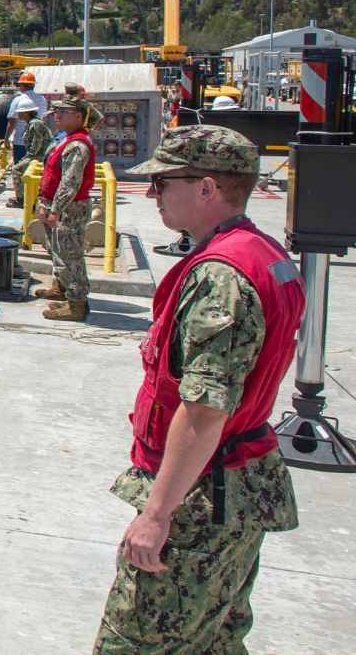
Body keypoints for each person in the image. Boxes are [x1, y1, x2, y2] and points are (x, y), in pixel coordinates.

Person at [94, 126, 305, 652]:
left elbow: (205, 408)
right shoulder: (264, 253)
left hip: (202, 498)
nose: (152, 193)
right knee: (214, 636)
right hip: (236, 482)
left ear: (207, 188)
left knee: (138, 639)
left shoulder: (221, 277)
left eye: (164, 181)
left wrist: (157, 514)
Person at [35, 97, 96, 321]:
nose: (56, 116)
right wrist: (44, 202)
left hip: (70, 208)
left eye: (63, 112)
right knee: (58, 249)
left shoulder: (78, 145)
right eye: (56, 112)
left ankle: (77, 304)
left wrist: (56, 210)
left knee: (71, 254)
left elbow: (70, 182)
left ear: (78, 117)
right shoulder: (66, 140)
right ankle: (62, 288)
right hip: (57, 205)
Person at [4, 102, 53, 209]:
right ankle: (27, 196)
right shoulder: (32, 123)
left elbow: (37, 143)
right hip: (39, 155)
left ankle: (22, 199)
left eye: (20, 112)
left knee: (17, 170)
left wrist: (28, 157)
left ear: (26, 113)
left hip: (41, 156)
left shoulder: (35, 124)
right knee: (21, 168)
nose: (18, 115)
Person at [5, 72, 47, 164]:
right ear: (33, 85)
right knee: (34, 169)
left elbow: (12, 122)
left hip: (20, 142)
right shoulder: (42, 99)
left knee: (20, 169)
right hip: (37, 142)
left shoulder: (18, 100)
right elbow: (43, 119)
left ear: (21, 85)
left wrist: (6, 139)